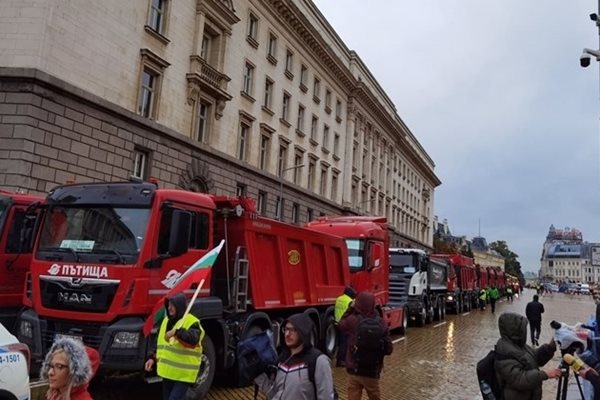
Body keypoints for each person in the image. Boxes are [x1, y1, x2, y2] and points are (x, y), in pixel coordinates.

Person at [254, 313, 335, 399]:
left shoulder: (318, 361)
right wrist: (257, 375)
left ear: (303, 331)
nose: (287, 334)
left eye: (293, 330)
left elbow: (326, 397)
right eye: (286, 329)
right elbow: (274, 394)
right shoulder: (282, 360)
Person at [144, 293, 204, 400]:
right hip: (168, 373)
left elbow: (193, 340)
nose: (169, 308)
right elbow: (159, 342)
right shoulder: (166, 321)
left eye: (173, 305)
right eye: (168, 305)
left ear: (179, 306)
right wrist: (152, 358)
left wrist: (177, 332)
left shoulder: (192, 322)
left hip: (183, 375)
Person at [339, 291, 393, 400]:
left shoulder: (352, 320)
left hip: (355, 371)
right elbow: (389, 349)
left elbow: (340, 324)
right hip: (372, 373)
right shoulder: (381, 323)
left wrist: (351, 308)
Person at [494, 312, 561, 400]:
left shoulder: (518, 344)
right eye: (522, 328)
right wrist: (545, 374)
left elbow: (535, 357)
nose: (525, 331)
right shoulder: (504, 351)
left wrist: (550, 347)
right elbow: (519, 379)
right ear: (514, 330)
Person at [334, 285, 356, 367]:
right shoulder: (350, 301)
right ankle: (341, 361)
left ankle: (339, 359)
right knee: (345, 343)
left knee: (340, 343)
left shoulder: (338, 298)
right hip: (345, 325)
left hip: (337, 323)